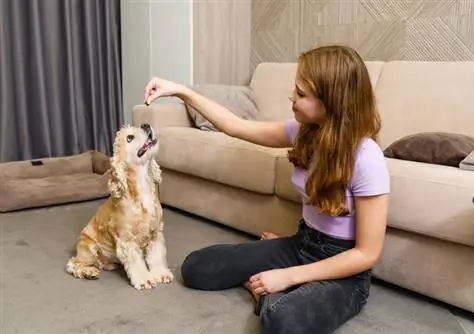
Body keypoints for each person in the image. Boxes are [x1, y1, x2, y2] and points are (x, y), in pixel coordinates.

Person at [143, 44, 390, 334]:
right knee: (196, 267)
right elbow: (235, 126)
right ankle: (283, 284)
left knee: (281, 321)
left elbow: (366, 254)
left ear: (330, 102)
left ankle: (280, 288)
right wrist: (181, 91)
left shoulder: (366, 156)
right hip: (301, 246)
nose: (291, 97)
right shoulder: (303, 133)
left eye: (301, 93)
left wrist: (287, 276)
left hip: (345, 275)